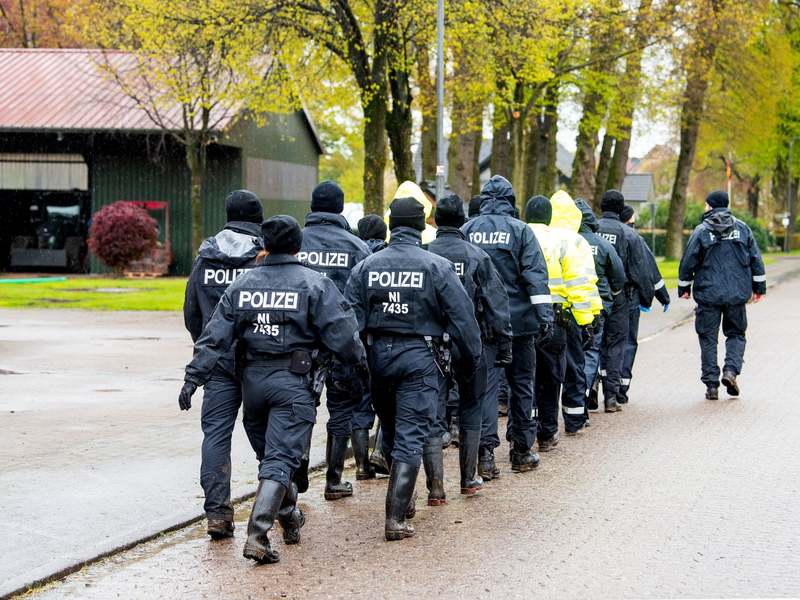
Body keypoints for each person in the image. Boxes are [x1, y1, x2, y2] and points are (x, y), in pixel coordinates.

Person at [179, 215, 368, 564]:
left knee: (272, 460)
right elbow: (345, 336)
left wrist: (194, 377)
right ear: (298, 245)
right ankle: (257, 534)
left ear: (264, 245)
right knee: (280, 460)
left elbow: (214, 334)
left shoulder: (243, 285)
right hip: (293, 386)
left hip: (252, 385)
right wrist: (362, 368)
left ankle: (289, 514)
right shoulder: (315, 284)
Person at [345, 196, 482, 540]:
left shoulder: (366, 267)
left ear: (392, 224)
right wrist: (472, 360)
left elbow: (348, 322)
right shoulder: (435, 267)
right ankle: (395, 518)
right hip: (420, 360)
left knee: (390, 428)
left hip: (378, 357)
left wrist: (357, 365)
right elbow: (463, 320)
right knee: (410, 434)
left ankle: (404, 504)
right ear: (423, 225)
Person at [182, 189, 264, 539]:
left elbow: (191, 312)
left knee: (215, 436)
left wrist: (205, 349)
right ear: (257, 219)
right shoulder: (263, 256)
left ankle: (217, 513)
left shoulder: (206, 258)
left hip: (217, 363)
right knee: (269, 436)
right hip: (260, 360)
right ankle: (279, 503)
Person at [461, 175, 554, 476]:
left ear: (484, 199)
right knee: (521, 386)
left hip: (481, 324)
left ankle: (485, 457)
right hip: (520, 322)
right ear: (512, 202)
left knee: (485, 389)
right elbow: (536, 278)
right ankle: (521, 451)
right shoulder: (521, 231)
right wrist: (545, 317)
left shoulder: (467, 230)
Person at [427, 194, 512, 500]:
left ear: (435, 221)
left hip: (432, 344)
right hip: (472, 342)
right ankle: (468, 478)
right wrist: (504, 344)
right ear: (463, 221)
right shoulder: (477, 256)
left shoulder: (424, 253)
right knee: (472, 404)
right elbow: (497, 303)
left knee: (433, 411)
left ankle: (435, 487)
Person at [298, 181, 374, 498]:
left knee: (299, 408)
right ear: (341, 209)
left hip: (298, 343)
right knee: (341, 410)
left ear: (313, 206)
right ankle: (333, 479)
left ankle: (296, 469)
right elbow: (368, 299)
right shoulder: (357, 247)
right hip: (342, 343)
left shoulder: (292, 241)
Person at [678, 190, 766, 399]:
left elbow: (688, 260)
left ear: (709, 206)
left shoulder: (701, 231)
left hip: (708, 294)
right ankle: (730, 371)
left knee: (708, 338)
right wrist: (759, 288)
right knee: (736, 334)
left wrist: (684, 287)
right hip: (736, 294)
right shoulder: (742, 229)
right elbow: (756, 258)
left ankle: (711, 386)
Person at [526, 194, 597, 450]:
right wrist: (587, 320)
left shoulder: (520, 235)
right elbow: (581, 285)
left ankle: (522, 434)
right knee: (550, 377)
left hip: (523, 318)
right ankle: (547, 433)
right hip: (557, 319)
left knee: (523, 378)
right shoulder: (567, 241)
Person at [596, 190, 654, 412]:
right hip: (621, 296)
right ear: (621, 210)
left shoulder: (590, 232)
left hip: (592, 294)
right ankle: (611, 396)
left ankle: (590, 388)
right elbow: (641, 270)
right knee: (616, 344)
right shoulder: (630, 235)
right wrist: (647, 298)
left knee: (593, 344)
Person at [573, 199, 626, 413]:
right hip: (597, 305)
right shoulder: (602, 244)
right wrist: (610, 295)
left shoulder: (567, 240)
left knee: (575, 352)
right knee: (592, 348)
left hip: (568, 305)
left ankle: (580, 392)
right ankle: (585, 392)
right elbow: (618, 276)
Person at [618, 205, 670, 403]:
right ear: (629, 220)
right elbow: (648, 270)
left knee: (603, 344)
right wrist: (661, 296)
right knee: (628, 342)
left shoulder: (599, 233)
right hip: (629, 297)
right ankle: (621, 388)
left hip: (602, 298)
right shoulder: (635, 238)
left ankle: (597, 384)